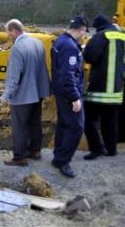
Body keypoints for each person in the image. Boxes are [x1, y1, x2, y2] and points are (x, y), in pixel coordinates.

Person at [0, 19, 51, 166]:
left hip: (23, 96)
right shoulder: (38, 43)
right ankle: (35, 151)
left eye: (8, 33)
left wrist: (6, 95)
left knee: (20, 126)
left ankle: (20, 157)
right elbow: (42, 69)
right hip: (38, 93)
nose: (8, 36)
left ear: (14, 31)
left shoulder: (17, 48)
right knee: (35, 122)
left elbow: (14, 76)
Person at [83, 14, 125, 159]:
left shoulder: (100, 36)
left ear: (98, 26)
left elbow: (89, 57)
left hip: (99, 90)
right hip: (116, 90)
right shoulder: (122, 37)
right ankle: (111, 150)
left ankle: (96, 149)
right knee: (110, 121)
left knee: (88, 120)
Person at [51, 16, 88, 177]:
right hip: (68, 93)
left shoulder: (60, 41)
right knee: (76, 127)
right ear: (81, 29)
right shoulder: (70, 47)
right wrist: (74, 98)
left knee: (64, 124)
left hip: (61, 91)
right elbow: (68, 75)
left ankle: (58, 156)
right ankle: (63, 161)